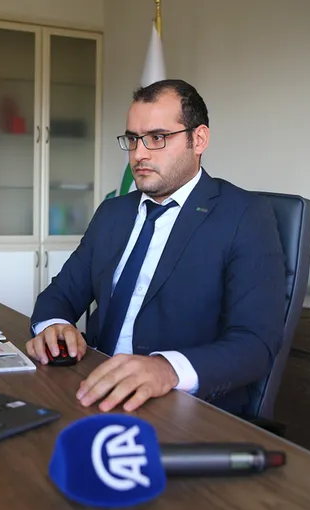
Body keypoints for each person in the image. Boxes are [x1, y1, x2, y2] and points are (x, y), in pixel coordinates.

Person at [26, 79, 285, 416]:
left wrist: (167, 369)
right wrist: (53, 326)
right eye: (133, 139)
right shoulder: (113, 213)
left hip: (183, 407)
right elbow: (59, 295)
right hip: (93, 384)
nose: (139, 154)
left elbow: (255, 344)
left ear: (199, 139)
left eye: (158, 138)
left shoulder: (245, 215)